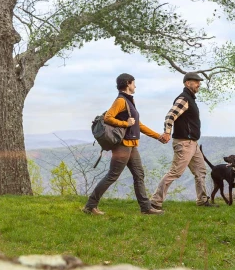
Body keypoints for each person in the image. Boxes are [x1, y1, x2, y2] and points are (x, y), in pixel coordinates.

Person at [83, 73, 165, 215]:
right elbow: (108, 118)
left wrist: (158, 136)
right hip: (122, 145)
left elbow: (138, 125)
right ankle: (90, 206)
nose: (135, 86)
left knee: (139, 175)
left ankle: (145, 208)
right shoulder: (121, 100)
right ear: (128, 83)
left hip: (131, 144)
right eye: (134, 83)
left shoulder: (129, 101)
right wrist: (125, 123)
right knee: (112, 176)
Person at [151, 72, 218, 210]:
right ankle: (155, 201)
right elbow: (170, 116)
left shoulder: (190, 99)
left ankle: (202, 200)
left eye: (199, 81)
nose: (199, 84)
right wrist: (167, 132)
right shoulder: (184, 99)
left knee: (200, 171)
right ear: (188, 83)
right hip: (184, 143)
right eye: (196, 81)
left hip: (193, 143)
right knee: (175, 172)